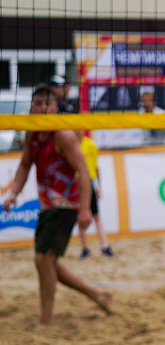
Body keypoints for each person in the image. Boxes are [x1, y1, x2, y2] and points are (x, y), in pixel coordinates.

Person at [1, 85, 113, 327]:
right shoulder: (32, 134)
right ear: (32, 107)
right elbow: (24, 165)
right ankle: (97, 294)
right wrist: (13, 193)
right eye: (38, 103)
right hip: (48, 206)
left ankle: (46, 322)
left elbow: (84, 171)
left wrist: (84, 208)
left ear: (55, 107)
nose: (43, 108)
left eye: (47, 103)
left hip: (67, 205)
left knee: (43, 259)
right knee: (47, 261)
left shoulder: (63, 135)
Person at [76, 130, 114, 258]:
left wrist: (99, 186)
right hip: (76, 183)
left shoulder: (91, 144)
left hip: (89, 182)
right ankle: (85, 248)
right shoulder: (71, 144)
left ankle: (104, 246)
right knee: (80, 217)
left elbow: (96, 167)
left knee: (96, 215)